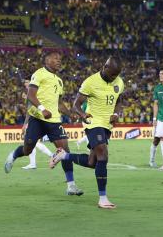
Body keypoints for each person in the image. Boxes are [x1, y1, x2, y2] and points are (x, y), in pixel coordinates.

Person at [4, 51, 84, 196]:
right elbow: (31, 95)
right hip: (38, 118)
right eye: (55, 58)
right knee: (28, 149)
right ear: (47, 60)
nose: (59, 61)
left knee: (65, 151)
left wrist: (69, 113)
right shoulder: (39, 74)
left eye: (60, 59)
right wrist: (42, 109)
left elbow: (59, 103)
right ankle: (14, 154)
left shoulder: (59, 81)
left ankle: (71, 185)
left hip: (53, 121)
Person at [49, 56, 124, 209]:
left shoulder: (119, 82)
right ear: (105, 67)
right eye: (112, 75)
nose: (114, 78)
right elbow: (76, 105)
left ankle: (63, 155)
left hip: (107, 125)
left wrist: (116, 114)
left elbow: (119, 101)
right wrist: (83, 115)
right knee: (103, 154)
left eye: (116, 75)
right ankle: (102, 198)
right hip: (93, 122)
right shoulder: (90, 82)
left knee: (93, 163)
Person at [20, 80, 54, 170]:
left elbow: (29, 111)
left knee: (30, 141)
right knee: (33, 142)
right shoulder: (33, 94)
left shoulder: (31, 95)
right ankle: (33, 163)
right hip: (38, 119)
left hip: (35, 120)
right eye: (25, 83)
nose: (26, 84)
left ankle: (51, 155)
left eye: (27, 82)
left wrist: (25, 124)